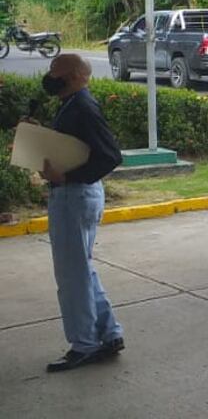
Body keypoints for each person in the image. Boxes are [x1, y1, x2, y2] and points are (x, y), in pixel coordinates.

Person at [38, 54, 125, 372]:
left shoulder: (83, 108)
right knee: (82, 270)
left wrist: (67, 177)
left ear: (74, 75)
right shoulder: (72, 103)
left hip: (74, 197)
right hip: (73, 196)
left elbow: (110, 156)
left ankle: (85, 345)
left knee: (72, 276)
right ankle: (109, 332)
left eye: (55, 71)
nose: (49, 76)